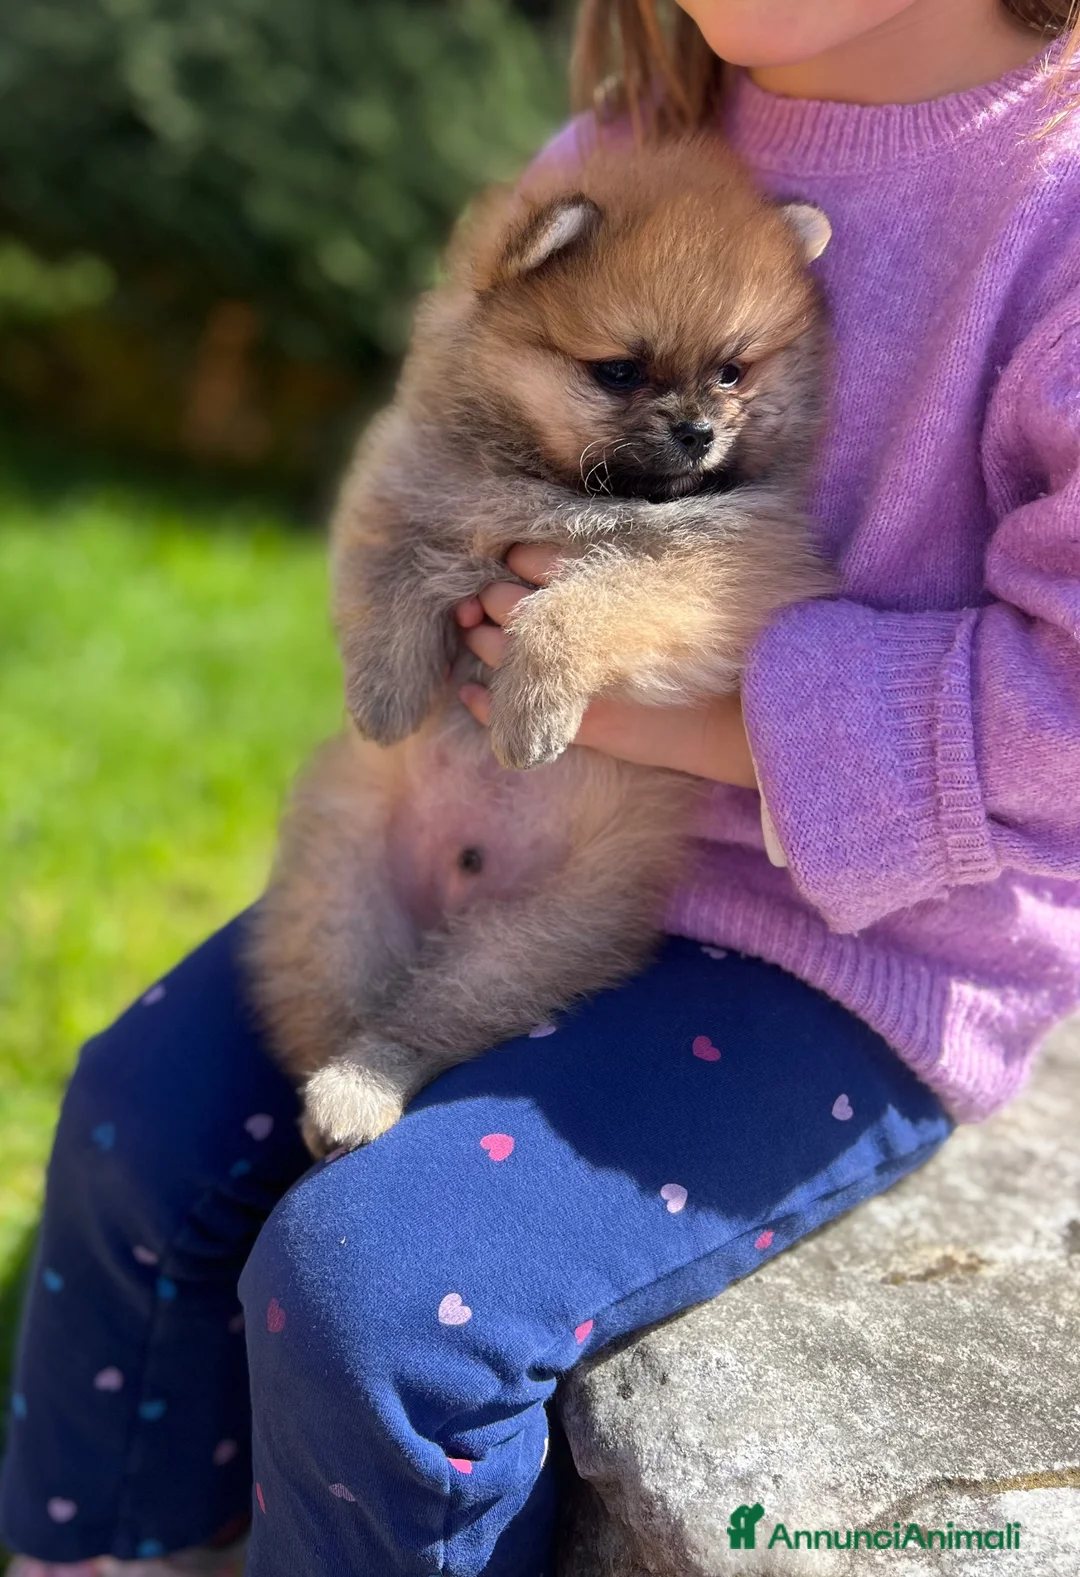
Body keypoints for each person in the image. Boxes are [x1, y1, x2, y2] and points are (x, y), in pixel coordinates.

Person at [5, 1, 1080, 1572]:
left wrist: (683, 717)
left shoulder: (1053, 215)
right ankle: (109, 1548)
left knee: (381, 1294)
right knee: (136, 1122)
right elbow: (434, 446)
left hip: (854, 948)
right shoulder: (632, 135)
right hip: (509, 838)